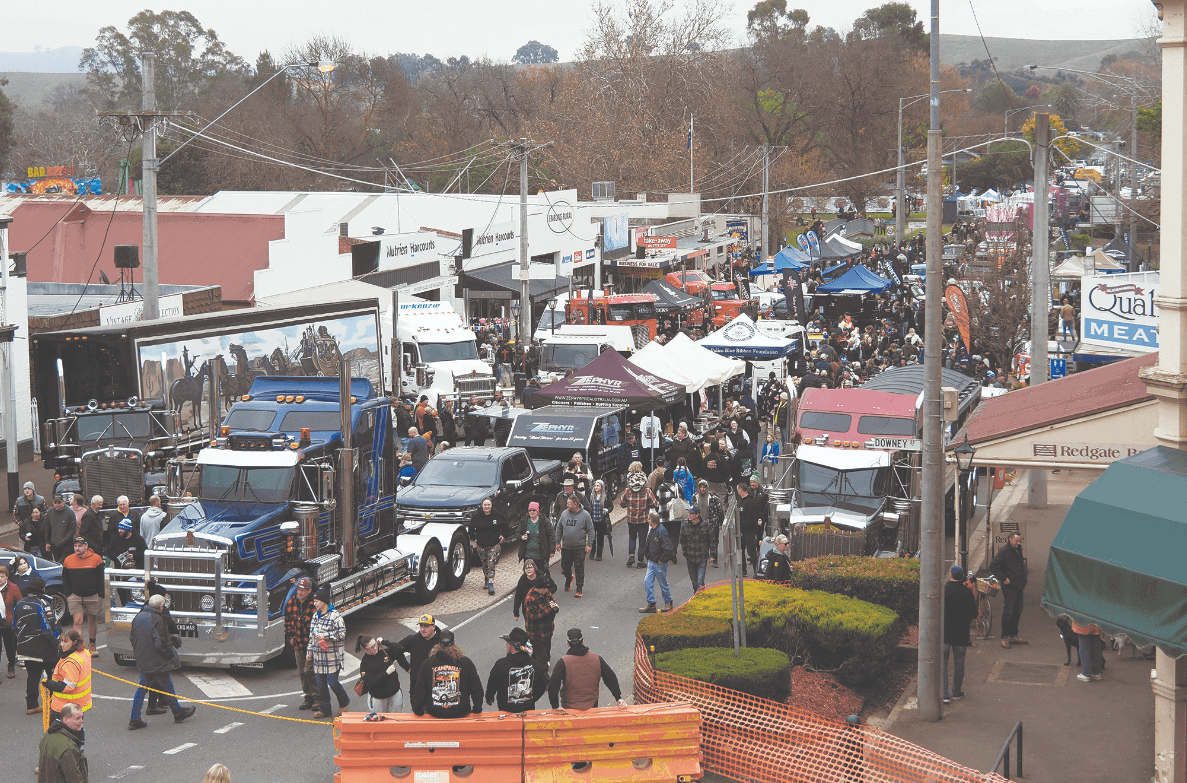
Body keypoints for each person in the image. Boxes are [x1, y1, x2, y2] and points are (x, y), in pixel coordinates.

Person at [128, 593, 197, 729]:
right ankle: (178, 713)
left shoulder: (138, 617)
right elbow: (161, 643)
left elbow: (132, 638)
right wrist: (170, 657)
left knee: (142, 689)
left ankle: (135, 717)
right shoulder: (158, 620)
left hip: (143, 659)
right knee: (167, 687)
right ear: (161, 607)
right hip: (157, 661)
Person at [547, 628, 628, 710]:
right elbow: (610, 678)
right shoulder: (597, 659)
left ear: (568, 643)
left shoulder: (563, 662)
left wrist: (555, 706)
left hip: (569, 708)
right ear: (583, 641)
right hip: (592, 707)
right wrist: (618, 698)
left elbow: (553, 686)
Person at [410, 631, 484, 719]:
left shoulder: (428, 663)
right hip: (461, 713)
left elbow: (419, 689)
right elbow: (477, 688)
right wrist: (477, 709)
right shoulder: (466, 662)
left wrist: (418, 710)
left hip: (435, 713)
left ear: (438, 645)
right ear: (454, 645)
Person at [13, 577, 60, 714]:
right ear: (43, 589)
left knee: (33, 675)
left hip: (25, 648)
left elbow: (14, 626)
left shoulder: (20, 603)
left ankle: (31, 705)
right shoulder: (43, 604)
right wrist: (57, 643)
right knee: (53, 675)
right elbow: (50, 628)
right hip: (44, 649)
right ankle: (53, 704)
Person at [307, 585, 349, 720]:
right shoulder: (315, 616)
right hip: (319, 657)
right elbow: (311, 636)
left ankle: (344, 701)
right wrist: (309, 651)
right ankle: (325, 709)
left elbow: (342, 634)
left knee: (333, 682)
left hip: (332, 656)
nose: (314, 603)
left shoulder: (335, 617)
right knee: (321, 685)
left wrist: (326, 636)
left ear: (324, 601)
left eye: (316, 600)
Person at [486, 626, 547, 713]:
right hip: (528, 712)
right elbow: (542, 686)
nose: (506, 645)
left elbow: (492, 683)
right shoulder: (535, 665)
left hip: (506, 712)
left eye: (508, 643)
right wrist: (531, 699)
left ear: (513, 648)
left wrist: (489, 698)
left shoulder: (501, 664)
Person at [61, 537, 103, 657]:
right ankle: (79, 647)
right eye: (75, 546)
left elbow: (101, 578)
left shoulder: (96, 559)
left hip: (93, 595)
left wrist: (101, 595)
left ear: (86, 546)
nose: (77, 548)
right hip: (75, 596)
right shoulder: (68, 560)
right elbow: (65, 579)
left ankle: (92, 644)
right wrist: (68, 594)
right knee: (77, 621)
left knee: (92, 620)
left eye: (80, 546)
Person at [943, 565, 979, 703]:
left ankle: (944, 694)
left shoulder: (944, 590)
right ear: (962, 577)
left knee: (943, 664)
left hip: (946, 632)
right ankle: (956, 691)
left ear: (950, 575)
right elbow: (973, 614)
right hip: (961, 633)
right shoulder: (967, 592)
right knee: (959, 663)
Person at [283, 576, 319, 711]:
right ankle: (308, 698)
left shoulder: (315, 605)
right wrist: (290, 638)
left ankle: (317, 698)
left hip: (312, 645)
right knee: (301, 672)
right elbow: (287, 622)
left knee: (309, 671)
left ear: (309, 591)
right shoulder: (291, 603)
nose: (300, 592)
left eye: (303, 590)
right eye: (298, 589)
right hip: (298, 644)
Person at [989, 533, 1028, 648]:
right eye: (1016, 541)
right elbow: (993, 565)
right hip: (1010, 586)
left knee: (1017, 610)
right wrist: (1003, 578)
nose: (1018, 543)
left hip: (1019, 584)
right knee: (1009, 610)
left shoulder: (1017, 549)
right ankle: (1004, 636)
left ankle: (1013, 634)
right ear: (1010, 539)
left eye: (1020, 541)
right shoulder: (1005, 550)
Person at [44, 629, 92, 721]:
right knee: (77, 730)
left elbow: (68, 686)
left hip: (64, 707)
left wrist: (49, 684)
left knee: (57, 734)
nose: (62, 644)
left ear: (74, 642)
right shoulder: (84, 653)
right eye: (61, 641)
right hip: (79, 704)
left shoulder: (70, 662)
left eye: (66, 642)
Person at [519, 561, 560, 667]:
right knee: (542, 659)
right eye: (545, 588)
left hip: (547, 629)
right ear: (538, 587)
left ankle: (534, 665)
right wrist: (548, 608)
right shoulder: (530, 598)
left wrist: (555, 607)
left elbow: (552, 602)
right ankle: (543, 678)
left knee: (545, 652)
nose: (547, 590)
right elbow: (532, 616)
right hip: (536, 632)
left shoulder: (546, 593)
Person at [38, 702, 88, 783]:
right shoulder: (68, 748)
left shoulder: (47, 735)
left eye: (82, 717)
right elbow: (74, 778)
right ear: (65, 719)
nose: (82, 721)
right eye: (77, 718)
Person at [618, 462, 656, 569]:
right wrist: (647, 505)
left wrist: (628, 504)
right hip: (643, 519)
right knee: (642, 541)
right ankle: (640, 561)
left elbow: (621, 503)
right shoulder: (646, 490)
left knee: (632, 538)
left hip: (631, 519)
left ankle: (631, 556)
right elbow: (654, 503)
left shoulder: (627, 490)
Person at [554, 495, 594, 597]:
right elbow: (559, 528)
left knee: (579, 568)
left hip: (579, 547)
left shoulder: (585, 515)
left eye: (569, 503)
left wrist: (589, 545)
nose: (566, 505)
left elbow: (591, 530)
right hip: (566, 547)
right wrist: (557, 542)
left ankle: (579, 589)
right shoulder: (564, 514)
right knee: (564, 566)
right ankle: (568, 578)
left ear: (575, 504)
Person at [356, 634, 406, 713]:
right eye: (371, 647)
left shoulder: (384, 652)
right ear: (365, 649)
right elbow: (369, 683)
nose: (375, 648)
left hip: (395, 694)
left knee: (396, 721)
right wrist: (386, 673)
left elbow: (400, 648)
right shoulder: (364, 663)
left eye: (375, 645)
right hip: (378, 698)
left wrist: (384, 642)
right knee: (380, 723)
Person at [639, 511, 676, 613]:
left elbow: (668, 548)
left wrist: (662, 560)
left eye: (649, 519)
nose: (648, 521)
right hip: (652, 562)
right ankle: (651, 604)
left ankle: (668, 602)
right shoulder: (653, 530)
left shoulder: (661, 531)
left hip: (659, 564)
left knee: (663, 583)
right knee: (647, 582)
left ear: (652, 521)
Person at [396, 614, 442, 695]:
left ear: (433, 627)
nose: (423, 629)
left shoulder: (441, 641)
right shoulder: (413, 640)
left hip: (436, 686)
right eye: (421, 626)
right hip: (417, 686)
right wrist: (407, 667)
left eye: (426, 626)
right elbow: (396, 650)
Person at [469, 497, 504, 596]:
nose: (487, 507)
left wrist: (503, 535)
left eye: (488, 505)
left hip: (494, 544)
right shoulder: (477, 516)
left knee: (491, 562)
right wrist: (473, 538)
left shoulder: (497, 515)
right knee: (484, 564)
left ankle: (491, 583)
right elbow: (471, 528)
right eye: (485, 505)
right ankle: (486, 577)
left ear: (491, 505)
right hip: (481, 545)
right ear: (482, 506)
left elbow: (505, 524)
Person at [678, 506, 714, 594]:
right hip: (691, 559)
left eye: (691, 513)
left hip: (702, 558)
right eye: (689, 513)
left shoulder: (706, 525)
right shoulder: (685, 526)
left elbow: (712, 541)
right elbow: (682, 540)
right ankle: (697, 594)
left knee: (700, 582)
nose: (689, 515)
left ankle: (699, 599)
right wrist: (685, 553)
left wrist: (712, 555)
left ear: (697, 515)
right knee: (694, 583)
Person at [514, 502, 555, 572]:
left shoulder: (544, 521)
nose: (532, 512)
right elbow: (517, 534)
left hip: (540, 555)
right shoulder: (524, 521)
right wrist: (522, 537)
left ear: (538, 511)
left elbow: (551, 535)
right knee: (529, 575)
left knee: (542, 575)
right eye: (530, 510)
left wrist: (552, 550)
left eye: (534, 510)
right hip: (528, 555)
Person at [735, 482, 765, 576]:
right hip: (741, 531)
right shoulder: (740, 501)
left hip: (749, 531)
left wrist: (741, 525)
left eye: (738, 490)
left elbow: (750, 518)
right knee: (741, 550)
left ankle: (756, 571)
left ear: (740, 490)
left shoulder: (750, 502)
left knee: (751, 551)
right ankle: (743, 571)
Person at [694, 480, 724, 568]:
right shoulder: (695, 497)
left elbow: (719, 511)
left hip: (711, 524)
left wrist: (720, 523)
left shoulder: (713, 498)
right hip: (699, 524)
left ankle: (715, 559)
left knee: (713, 543)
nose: (702, 489)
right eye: (701, 487)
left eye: (704, 487)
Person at [14, 481, 46, 555]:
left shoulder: (41, 499)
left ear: (33, 490)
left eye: (29, 488)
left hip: (39, 529)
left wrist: (42, 522)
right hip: (25, 530)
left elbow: (46, 513)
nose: (27, 491)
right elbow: (15, 515)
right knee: (23, 552)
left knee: (41, 551)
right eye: (25, 489)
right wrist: (23, 525)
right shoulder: (19, 500)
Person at [0, 563, 20, 678]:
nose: (0, 579)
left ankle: (11, 666)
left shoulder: (13, 588)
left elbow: (19, 605)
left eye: (2, 576)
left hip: (9, 623)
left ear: (7, 577)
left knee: (10, 647)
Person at [45, 494, 76, 562]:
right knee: (57, 562)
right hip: (54, 544)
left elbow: (72, 529)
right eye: (54, 503)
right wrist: (47, 541)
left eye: (59, 503)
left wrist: (63, 541)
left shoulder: (70, 512)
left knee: (65, 562)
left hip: (67, 544)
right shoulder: (50, 512)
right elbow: (48, 527)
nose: (56, 505)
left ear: (63, 502)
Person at [587, 480, 613, 561]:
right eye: (595, 485)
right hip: (592, 519)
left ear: (602, 487)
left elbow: (611, 507)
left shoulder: (606, 496)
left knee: (600, 537)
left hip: (601, 520)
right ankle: (592, 551)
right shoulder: (591, 496)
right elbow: (587, 506)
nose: (596, 487)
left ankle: (599, 553)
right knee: (592, 536)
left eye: (598, 486)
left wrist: (607, 510)